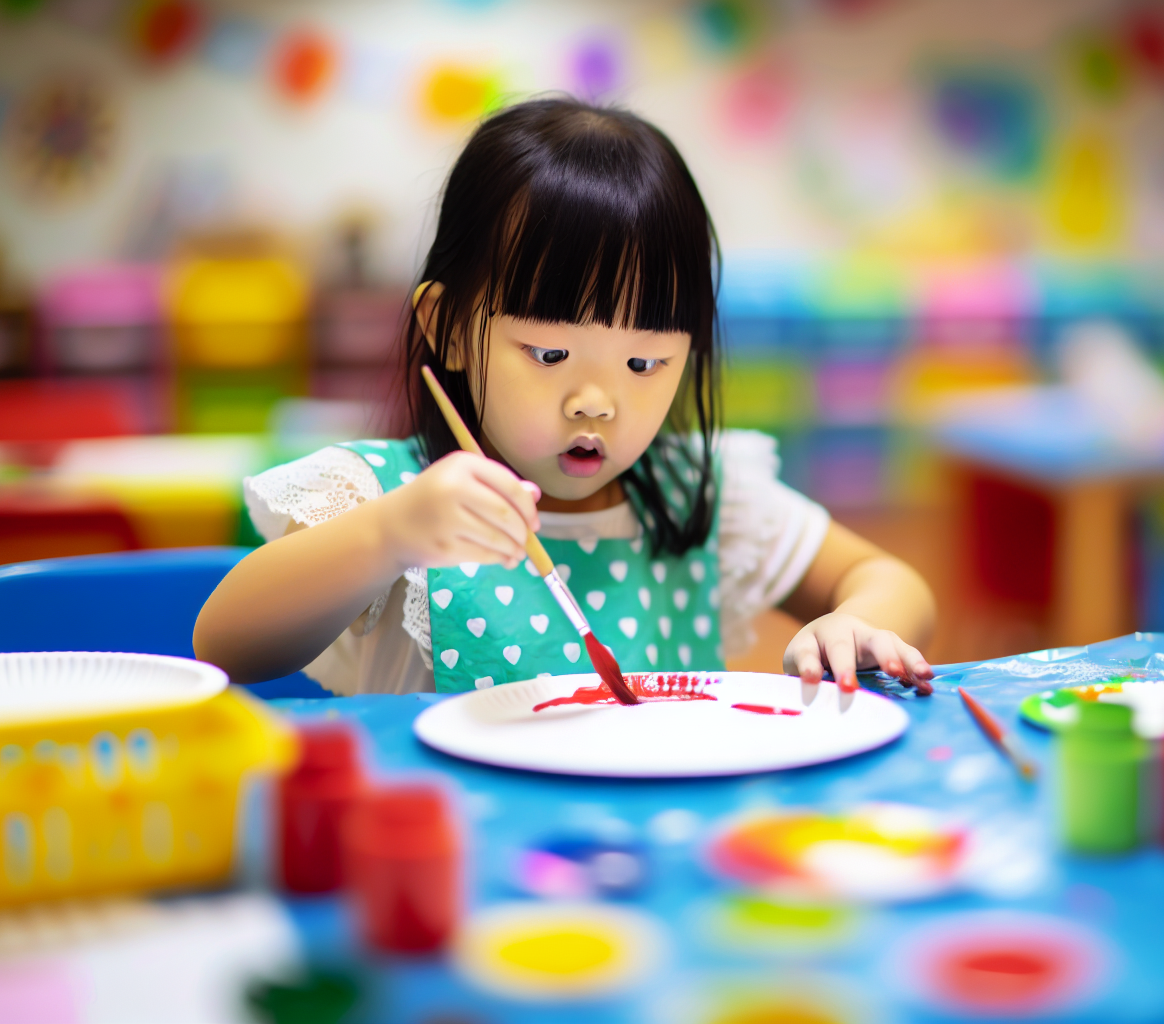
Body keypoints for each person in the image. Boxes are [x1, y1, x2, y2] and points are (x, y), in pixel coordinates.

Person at [194, 98, 936, 700]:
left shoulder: (700, 497)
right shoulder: (391, 498)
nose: (596, 403)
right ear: (446, 329)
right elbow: (226, 646)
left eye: (645, 362)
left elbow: (892, 580)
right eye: (549, 355)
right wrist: (389, 535)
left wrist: (860, 623)